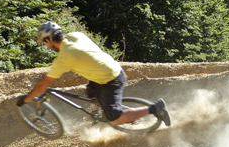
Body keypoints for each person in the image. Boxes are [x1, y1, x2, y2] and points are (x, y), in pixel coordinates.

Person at [17, 21, 171, 127]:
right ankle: (102, 110)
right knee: (91, 92)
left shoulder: (64, 57)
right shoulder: (76, 35)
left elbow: (43, 85)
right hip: (107, 68)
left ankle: (155, 109)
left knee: (115, 119)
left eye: (44, 43)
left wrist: (25, 99)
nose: (46, 46)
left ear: (49, 41)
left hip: (110, 79)